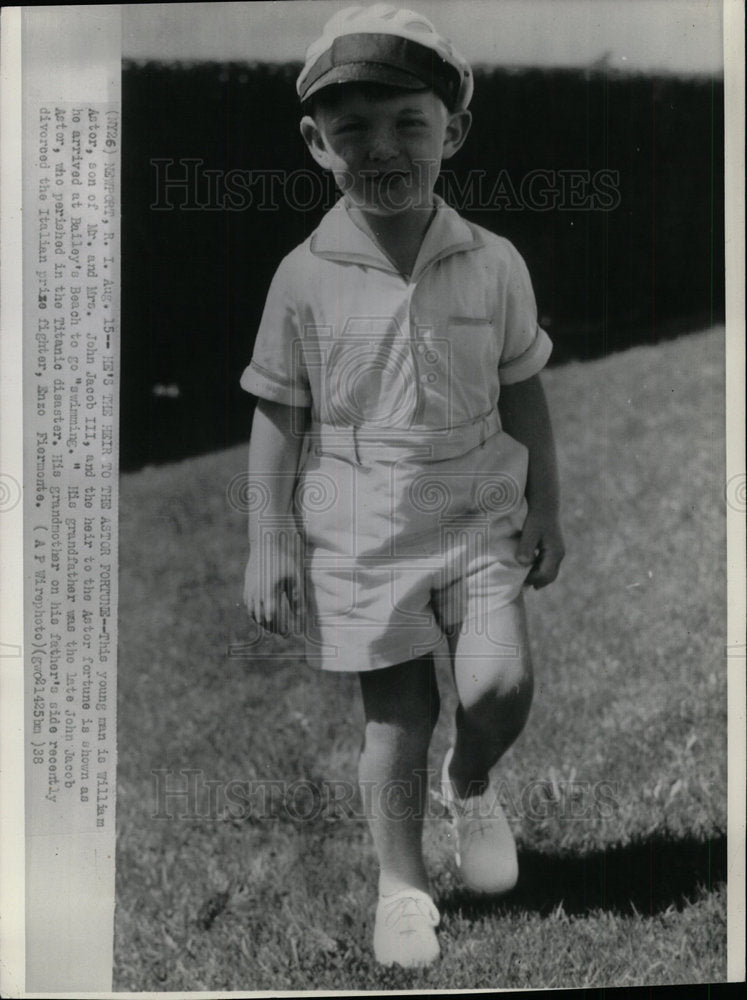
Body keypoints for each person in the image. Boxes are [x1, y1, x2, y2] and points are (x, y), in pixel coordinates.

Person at [241, 3, 564, 969]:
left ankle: (469, 784)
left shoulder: (494, 262)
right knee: (397, 717)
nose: (382, 149)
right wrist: (267, 539)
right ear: (317, 144)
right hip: (358, 519)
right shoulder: (301, 277)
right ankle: (401, 887)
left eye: (408, 125)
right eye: (352, 132)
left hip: (474, 504)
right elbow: (276, 414)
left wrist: (546, 503)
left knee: (498, 684)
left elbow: (525, 389)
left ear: (452, 131)